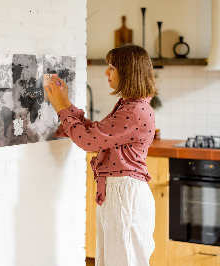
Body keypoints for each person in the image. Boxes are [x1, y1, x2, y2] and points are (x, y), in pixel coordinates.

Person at [45, 44, 157, 266]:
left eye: (112, 67)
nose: (106, 72)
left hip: (125, 195)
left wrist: (60, 108)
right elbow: (96, 133)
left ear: (128, 72)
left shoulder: (134, 111)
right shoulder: (130, 106)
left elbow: (88, 141)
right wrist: (66, 104)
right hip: (120, 193)